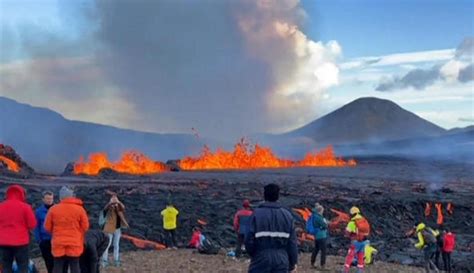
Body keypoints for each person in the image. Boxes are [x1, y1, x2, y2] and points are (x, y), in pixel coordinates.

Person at [244, 183, 298, 273]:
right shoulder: (287, 216)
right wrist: (293, 263)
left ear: (264, 196)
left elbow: (248, 239)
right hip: (281, 259)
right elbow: (292, 242)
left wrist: (254, 253)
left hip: (261, 257)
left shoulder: (256, 214)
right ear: (278, 196)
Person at [44, 186, 90, 273]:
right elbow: (85, 227)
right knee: (75, 265)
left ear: (61, 197)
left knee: (58, 265)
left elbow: (47, 227)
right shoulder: (80, 209)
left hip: (58, 241)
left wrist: (55, 233)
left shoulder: (53, 209)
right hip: (75, 242)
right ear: (72, 196)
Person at [0, 185, 36, 273]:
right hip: (21, 242)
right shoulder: (25, 207)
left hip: (4, 241)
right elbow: (32, 224)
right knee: (23, 265)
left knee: (6, 265)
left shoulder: (1, 206)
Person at [101, 194, 128, 267]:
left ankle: (116, 260)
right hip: (109, 228)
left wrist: (118, 202)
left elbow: (123, 208)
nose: (114, 200)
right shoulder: (109, 207)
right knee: (107, 245)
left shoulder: (118, 207)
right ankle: (104, 260)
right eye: (113, 198)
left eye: (115, 198)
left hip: (117, 228)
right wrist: (110, 203)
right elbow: (104, 210)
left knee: (116, 245)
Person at [343, 206, 370, 273]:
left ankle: (346, 270)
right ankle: (360, 271)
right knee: (361, 256)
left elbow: (347, 232)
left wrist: (347, 235)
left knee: (350, 256)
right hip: (364, 241)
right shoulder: (363, 220)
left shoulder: (352, 222)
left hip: (355, 241)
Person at [34, 191, 55, 273]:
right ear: (43, 199)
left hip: (56, 239)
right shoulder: (39, 212)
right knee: (48, 261)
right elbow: (36, 226)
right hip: (45, 240)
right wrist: (39, 240)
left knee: (58, 261)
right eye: (47, 198)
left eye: (51, 198)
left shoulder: (57, 209)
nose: (49, 200)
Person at [309, 203, 328, 271]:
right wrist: (325, 223)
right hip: (322, 236)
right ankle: (323, 265)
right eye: (322, 210)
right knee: (323, 251)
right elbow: (325, 225)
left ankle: (312, 263)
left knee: (316, 249)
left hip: (316, 236)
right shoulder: (319, 217)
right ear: (320, 210)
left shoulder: (314, 216)